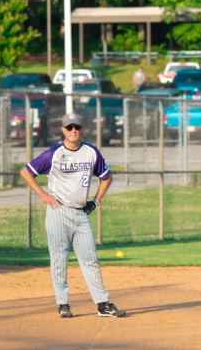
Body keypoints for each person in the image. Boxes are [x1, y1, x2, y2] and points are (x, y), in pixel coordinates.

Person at [20, 112, 125, 318]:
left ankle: (103, 304)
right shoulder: (54, 154)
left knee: (90, 259)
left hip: (81, 213)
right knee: (59, 259)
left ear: (81, 129)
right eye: (69, 127)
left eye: (77, 127)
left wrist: (95, 201)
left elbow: (106, 177)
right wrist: (43, 195)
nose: (73, 131)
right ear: (63, 130)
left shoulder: (91, 152)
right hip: (58, 212)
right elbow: (26, 172)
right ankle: (63, 304)